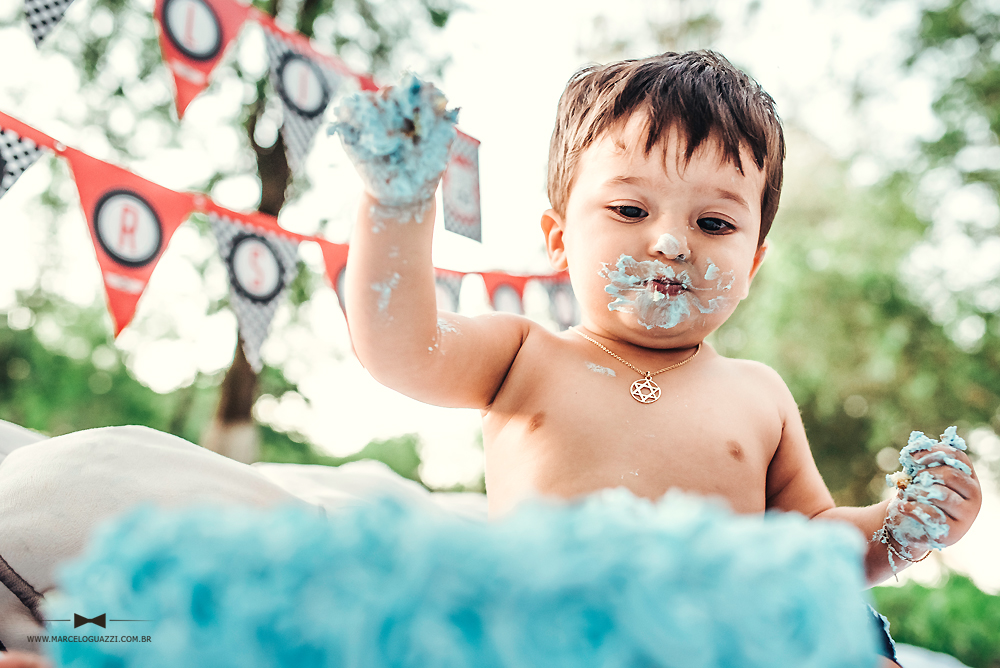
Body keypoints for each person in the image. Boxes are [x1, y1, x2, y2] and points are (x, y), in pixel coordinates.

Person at [333, 52, 982, 665]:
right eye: (629, 209)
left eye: (716, 224)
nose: (671, 242)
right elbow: (402, 349)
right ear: (559, 239)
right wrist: (399, 204)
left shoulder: (759, 396)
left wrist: (905, 525)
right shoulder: (524, 355)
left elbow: (813, 548)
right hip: (564, 633)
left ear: (753, 262)